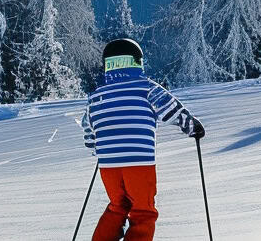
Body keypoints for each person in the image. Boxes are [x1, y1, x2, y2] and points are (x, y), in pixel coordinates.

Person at [81, 38, 205, 241]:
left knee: (117, 207)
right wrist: (192, 126)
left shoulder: (96, 96)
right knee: (143, 211)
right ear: (137, 61)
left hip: (108, 165)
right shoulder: (145, 87)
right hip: (139, 162)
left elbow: (89, 127)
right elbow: (169, 108)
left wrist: (97, 148)